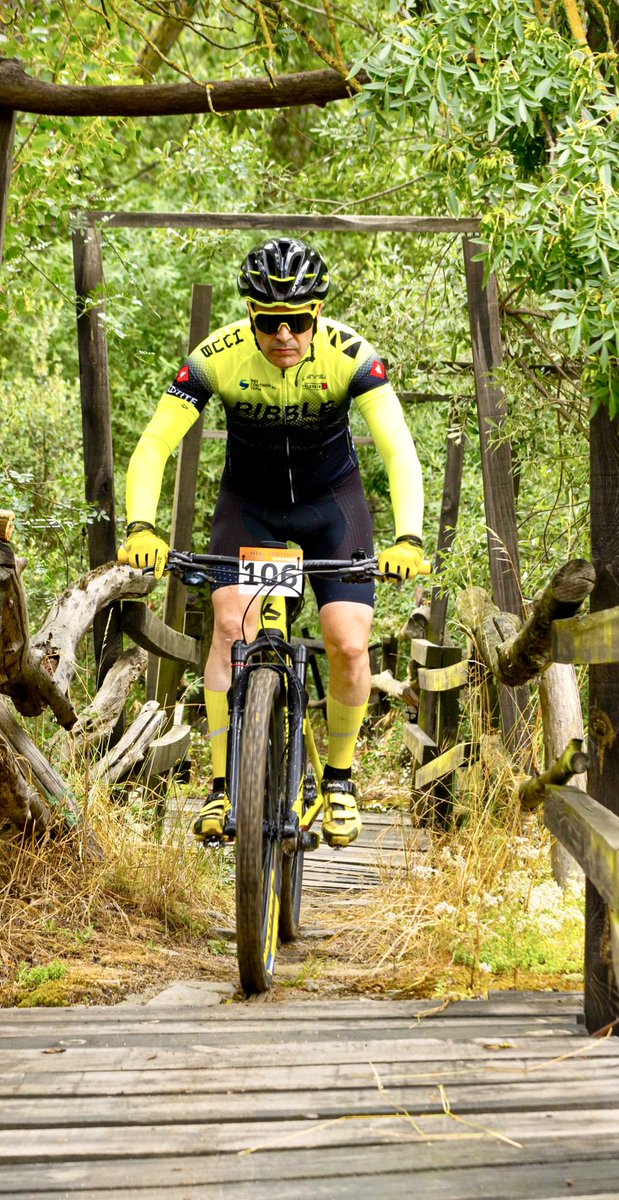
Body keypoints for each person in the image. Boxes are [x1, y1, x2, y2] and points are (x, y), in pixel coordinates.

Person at [119, 237, 426, 848]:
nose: (284, 335)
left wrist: (408, 538)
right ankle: (221, 785)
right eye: (269, 323)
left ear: (317, 314)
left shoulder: (352, 357)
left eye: (299, 322)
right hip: (251, 509)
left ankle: (339, 781)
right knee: (229, 627)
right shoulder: (215, 357)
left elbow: (398, 448)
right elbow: (154, 444)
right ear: (250, 315)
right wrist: (140, 527)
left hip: (331, 508)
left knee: (348, 642)